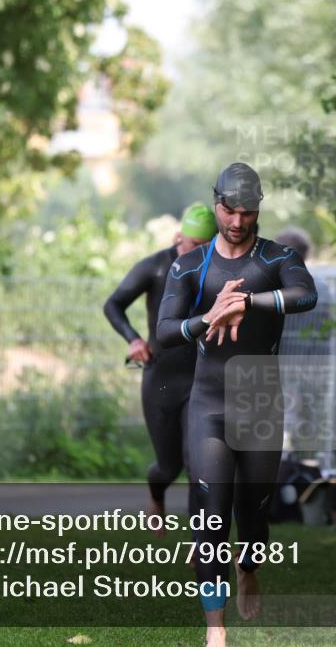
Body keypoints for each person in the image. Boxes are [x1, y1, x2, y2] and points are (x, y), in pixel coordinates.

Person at [156, 163, 318, 647]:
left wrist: (248, 302)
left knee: (253, 510)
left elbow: (305, 295)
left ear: (258, 209)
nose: (238, 221)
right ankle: (215, 627)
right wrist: (206, 318)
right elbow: (165, 332)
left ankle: (248, 566)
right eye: (230, 210)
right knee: (211, 511)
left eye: (248, 212)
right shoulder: (191, 265)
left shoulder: (277, 257)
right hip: (209, 404)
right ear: (217, 204)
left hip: (261, 405)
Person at [103, 203, 217, 533]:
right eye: (196, 246)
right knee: (169, 467)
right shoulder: (154, 267)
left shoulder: (218, 269)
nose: (203, 253)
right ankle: (156, 494)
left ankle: (203, 544)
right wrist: (134, 340)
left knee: (200, 466)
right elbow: (113, 304)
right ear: (178, 237)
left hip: (202, 379)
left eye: (209, 246)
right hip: (162, 378)